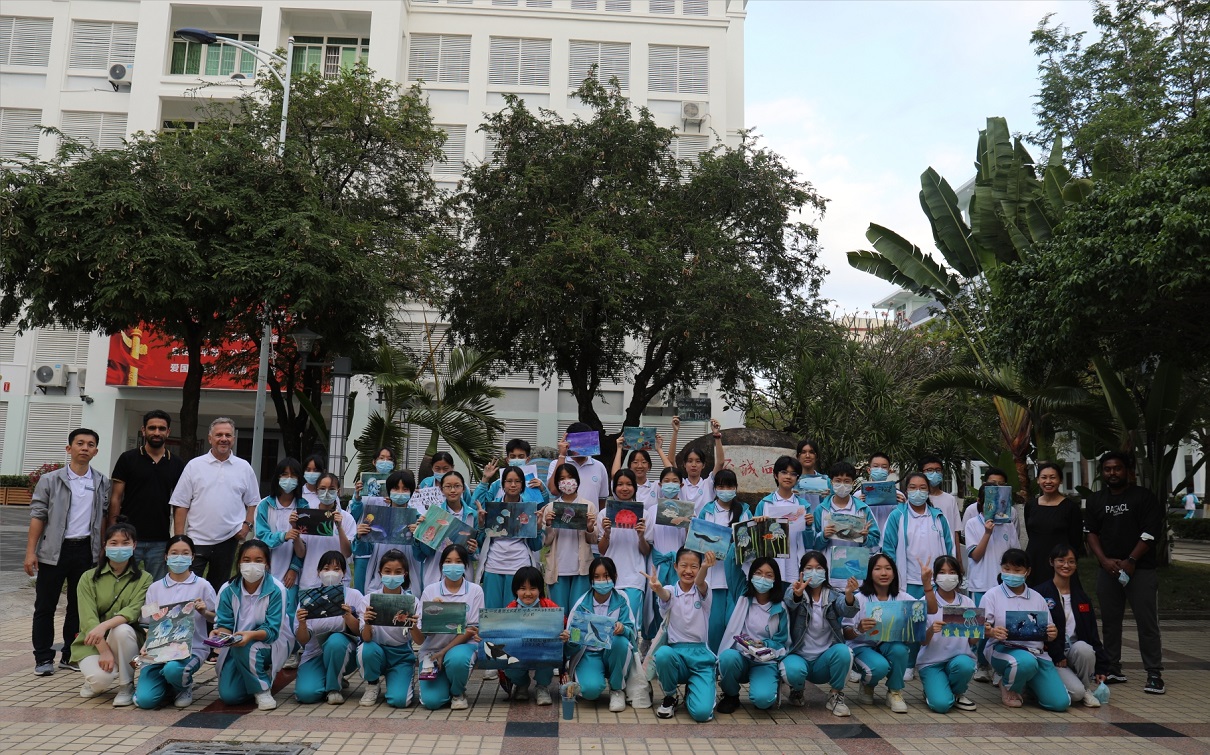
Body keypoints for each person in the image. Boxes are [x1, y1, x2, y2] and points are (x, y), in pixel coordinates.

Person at [26, 428, 111, 676]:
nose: (85, 448)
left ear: (96, 451)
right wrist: (31, 552)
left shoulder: (101, 482)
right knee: (45, 605)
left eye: (90, 444)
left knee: (79, 607)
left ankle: (70, 655)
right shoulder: (50, 480)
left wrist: (102, 549)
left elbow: (103, 517)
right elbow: (38, 515)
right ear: (69, 448)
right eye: (80, 443)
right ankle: (43, 658)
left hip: (85, 551)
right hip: (54, 551)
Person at [1084, 451, 1165, 694]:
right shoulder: (1096, 500)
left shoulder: (1143, 497)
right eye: (1107, 469)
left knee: (1147, 623)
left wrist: (1131, 560)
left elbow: (1150, 532)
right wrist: (1104, 561)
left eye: (1117, 468)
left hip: (1141, 570)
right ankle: (1112, 668)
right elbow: (1091, 533)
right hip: (1108, 570)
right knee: (1110, 622)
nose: (1112, 473)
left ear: (1127, 471)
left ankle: (1154, 673)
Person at [170, 417, 260, 594]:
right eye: (219, 435)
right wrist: (180, 539)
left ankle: (214, 614)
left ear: (233, 439)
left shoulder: (244, 467)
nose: (223, 439)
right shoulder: (194, 466)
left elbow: (253, 502)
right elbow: (181, 504)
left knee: (219, 590)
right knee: (188, 588)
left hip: (228, 539)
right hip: (196, 539)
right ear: (210, 438)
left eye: (228, 435)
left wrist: (247, 526)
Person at [134, 535, 218, 709]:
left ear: (192, 557)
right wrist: (147, 644)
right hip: (158, 652)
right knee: (144, 701)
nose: (179, 557)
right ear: (166, 556)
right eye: (174, 553)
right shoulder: (155, 588)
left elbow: (217, 618)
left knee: (173, 669)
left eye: (185, 553)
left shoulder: (202, 586)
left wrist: (204, 612)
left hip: (191, 650)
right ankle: (169, 685)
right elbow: (148, 622)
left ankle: (183, 686)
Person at [72, 522, 152, 706]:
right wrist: (104, 650)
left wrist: (105, 625)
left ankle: (126, 686)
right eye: (114, 543)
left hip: (129, 642)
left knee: (122, 630)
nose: (119, 547)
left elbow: (133, 611)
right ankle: (94, 680)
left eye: (125, 543)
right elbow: (88, 619)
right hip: (93, 642)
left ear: (134, 545)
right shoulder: (88, 578)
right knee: (101, 681)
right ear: (105, 545)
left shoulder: (145, 578)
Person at [981, 548, 1068, 711]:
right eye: (1007, 569)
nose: (1011, 574)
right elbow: (979, 628)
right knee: (1025, 662)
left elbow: (1048, 631)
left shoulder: (1037, 597)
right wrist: (991, 631)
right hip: (1003, 649)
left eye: (1017, 570)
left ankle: (1028, 684)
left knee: (1059, 703)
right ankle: (1008, 686)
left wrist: (1052, 634)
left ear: (1028, 571)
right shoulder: (991, 595)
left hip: (1037, 654)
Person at [211, 539, 293, 711]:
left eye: (258, 560)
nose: (252, 565)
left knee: (245, 647)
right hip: (237, 644)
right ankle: (257, 674)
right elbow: (225, 624)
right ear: (239, 563)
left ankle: (262, 690)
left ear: (267, 564)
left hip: (270, 642)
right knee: (230, 696)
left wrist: (250, 635)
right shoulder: (227, 589)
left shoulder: (277, 589)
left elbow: (272, 631)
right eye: (246, 560)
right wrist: (220, 635)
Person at [107, 409, 185, 581]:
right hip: (127, 537)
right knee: (123, 583)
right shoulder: (127, 459)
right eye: (152, 428)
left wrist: (178, 538)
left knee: (157, 587)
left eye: (161, 428)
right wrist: (113, 531)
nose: (156, 432)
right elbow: (116, 498)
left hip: (160, 539)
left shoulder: (177, 463)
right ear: (143, 430)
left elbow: (180, 503)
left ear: (168, 432)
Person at [781, 551, 858, 716]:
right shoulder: (794, 589)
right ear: (802, 572)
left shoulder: (833, 595)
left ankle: (835, 695)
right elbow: (789, 602)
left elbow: (847, 610)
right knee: (792, 670)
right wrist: (797, 595)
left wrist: (849, 594)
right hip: (798, 656)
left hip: (824, 660)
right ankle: (797, 689)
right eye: (809, 568)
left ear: (825, 571)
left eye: (819, 568)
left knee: (845, 652)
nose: (814, 572)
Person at [1036, 544, 1111, 708]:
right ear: (1051, 562)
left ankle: (1086, 688)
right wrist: (1057, 654)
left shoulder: (1082, 597)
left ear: (1076, 565)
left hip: (1073, 652)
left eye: (1071, 561)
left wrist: (1101, 667)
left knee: (1085, 648)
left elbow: (1092, 634)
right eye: (1061, 560)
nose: (1066, 565)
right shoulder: (1040, 594)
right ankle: (1044, 686)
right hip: (1051, 656)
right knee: (1076, 694)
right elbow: (1038, 632)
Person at [646, 548, 717, 722]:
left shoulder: (704, 590)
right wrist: (658, 588)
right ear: (676, 566)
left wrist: (705, 567)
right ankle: (670, 696)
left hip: (701, 658)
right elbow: (665, 595)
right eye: (684, 565)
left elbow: (700, 582)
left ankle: (694, 690)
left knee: (702, 714)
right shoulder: (670, 589)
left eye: (694, 566)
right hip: (676, 655)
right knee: (663, 654)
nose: (688, 571)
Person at [964, 476, 1021, 682]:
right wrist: (987, 533)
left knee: (1002, 625)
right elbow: (975, 555)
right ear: (980, 501)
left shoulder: (1008, 525)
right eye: (989, 499)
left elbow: (1015, 554)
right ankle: (981, 664)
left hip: (1005, 584)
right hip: (981, 583)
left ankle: (998, 666)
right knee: (982, 626)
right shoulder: (972, 523)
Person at [415, 544, 484, 710]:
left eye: (458, 561)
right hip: (432, 650)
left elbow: (471, 629)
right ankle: (446, 682)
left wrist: (444, 652)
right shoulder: (430, 591)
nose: (453, 565)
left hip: (462, 647)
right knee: (432, 702)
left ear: (466, 565)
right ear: (441, 565)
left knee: (457, 659)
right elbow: (420, 637)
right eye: (448, 561)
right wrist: (433, 614)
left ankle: (457, 692)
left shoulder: (475, 591)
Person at [716, 557, 789, 713]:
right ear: (751, 575)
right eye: (758, 573)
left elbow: (782, 642)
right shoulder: (742, 594)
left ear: (775, 579)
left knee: (763, 701)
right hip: (740, 657)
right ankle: (731, 695)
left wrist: (766, 644)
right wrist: (740, 543)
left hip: (765, 661)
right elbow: (731, 565)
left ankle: (766, 687)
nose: (762, 578)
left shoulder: (781, 608)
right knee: (727, 657)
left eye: (769, 575)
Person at [843, 553, 913, 713]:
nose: (883, 573)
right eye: (878, 569)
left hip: (887, 645)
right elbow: (846, 633)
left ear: (894, 573)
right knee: (879, 666)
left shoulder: (902, 597)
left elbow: (927, 611)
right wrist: (858, 629)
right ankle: (867, 685)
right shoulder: (859, 598)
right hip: (862, 646)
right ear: (869, 573)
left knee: (900, 650)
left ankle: (895, 692)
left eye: (888, 568)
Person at [474, 464, 548, 611]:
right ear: (502, 485)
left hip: (518, 566)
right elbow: (480, 542)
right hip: (493, 565)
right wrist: (481, 525)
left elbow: (535, 546)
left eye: (517, 481)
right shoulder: (493, 507)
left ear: (523, 485)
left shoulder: (529, 509)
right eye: (509, 481)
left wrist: (538, 528)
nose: (513, 485)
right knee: (491, 612)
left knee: (513, 614)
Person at [294, 551, 364, 704]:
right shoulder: (308, 598)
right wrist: (302, 623)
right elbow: (303, 640)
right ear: (318, 572)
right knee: (306, 695)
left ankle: (333, 688)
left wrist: (348, 617)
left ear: (343, 573)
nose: (331, 573)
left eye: (336, 569)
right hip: (315, 653)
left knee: (336, 641)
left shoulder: (354, 595)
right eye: (326, 569)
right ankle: (327, 677)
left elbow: (361, 632)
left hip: (345, 652)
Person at [567, 557, 636, 712]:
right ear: (591, 579)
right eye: (596, 577)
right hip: (589, 654)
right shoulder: (581, 605)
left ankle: (617, 689)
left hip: (613, 652)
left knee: (620, 642)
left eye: (606, 576)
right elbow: (572, 643)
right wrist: (570, 638)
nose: (602, 581)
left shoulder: (622, 600)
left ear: (614, 576)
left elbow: (632, 633)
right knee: (590, 692)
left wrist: (623, 629)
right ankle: (588, 677)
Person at [694, 468, 749, 651]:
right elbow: (698, 541)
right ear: (715, 488)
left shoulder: (744, 511)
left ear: (736, 488)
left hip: (735, 577)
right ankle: (712, 659)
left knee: (733, 623)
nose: (726, 490)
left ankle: (730, 660)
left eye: (730, 486)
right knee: (715, 624)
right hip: (713, 578)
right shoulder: (707, 511)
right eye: (721, 486)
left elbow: (748, 542)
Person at [357, 549, 419, 708]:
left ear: (405, 574)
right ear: (380, 573)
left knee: (400, 701)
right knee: (366, 648)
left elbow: (420, 640)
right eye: (387, 571)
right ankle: (372, 684)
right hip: (376, 650)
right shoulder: (369, 600)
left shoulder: (412, 601)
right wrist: (368, 622)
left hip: (401, 655)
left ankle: (401, 679)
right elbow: (366, 638)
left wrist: (413, 626)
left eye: (397, 572)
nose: (392, 576)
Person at [916, 555, 978, 713]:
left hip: (958, 660)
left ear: (959, 575)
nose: (947, 577)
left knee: (965, 665)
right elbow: (922, 641)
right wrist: (931, 630)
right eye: (942, 572)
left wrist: (983, 629)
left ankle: (957, 693)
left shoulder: (968, 602)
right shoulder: (925, 601)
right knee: (941, 705)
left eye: (952, 572)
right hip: (931, 662)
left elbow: (972, 641)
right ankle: (933, 690)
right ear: (935, 576)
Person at [808, 461, 880, 589]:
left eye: (847, 481)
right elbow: (812, 544)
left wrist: (865, 538)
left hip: (856, 574)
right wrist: (824, 536)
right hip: (828, 574)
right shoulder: (821, 510)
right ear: (831, 482)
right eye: (838, 480)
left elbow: (876, 541)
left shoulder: (863, 509)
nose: (842, 485)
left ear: (853, 483)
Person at [353, 470, 424, 595]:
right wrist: (360, 537)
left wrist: (418, 537)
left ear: (411, 492)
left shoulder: (418, 520)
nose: (400, 493)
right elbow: (363, 551)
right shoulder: (377, 517)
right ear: (389, 491)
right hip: (379, 579)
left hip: (410, 580)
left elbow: (422, 555)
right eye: (396, 488)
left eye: (405, 489)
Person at [252, 458, 305, 622]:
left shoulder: (304, 506)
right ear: (277, 477)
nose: (289, 479)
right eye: (284, 474)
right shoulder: (264, 505)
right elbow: (262, 536)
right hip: (266, 569)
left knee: (288, 615)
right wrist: (283, 536)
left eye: (293, 475)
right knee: (262, 613)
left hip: (290, 574)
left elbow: (305, 543)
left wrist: (294, 568)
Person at [501, 565, 563, 705]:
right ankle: (521, 684)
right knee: (507, 662)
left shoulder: (550, 607)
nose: (528, 593)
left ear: (540, 589)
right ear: (515, 590)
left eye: (533, 588)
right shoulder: (509, 610)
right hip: (518, 651)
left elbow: (563, 624)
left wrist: (564, 634)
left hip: (542, 651)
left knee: (550, 653)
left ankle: (542, 686)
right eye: (523, 588)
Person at [542, 463, 599, 613]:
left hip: (581, 569)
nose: (567, 482)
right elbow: (546, 542)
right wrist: (548, 525)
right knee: (558, 613)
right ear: (557, 483)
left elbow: (593, 540)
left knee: (578, 613)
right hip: (558, 569)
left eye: (570, 477)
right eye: (562, 479)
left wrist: (589, 527)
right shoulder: (551, 507)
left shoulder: (588, 506)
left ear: (577, 480)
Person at [599, 469, 652, 632]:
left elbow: (646, 551)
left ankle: (632, 649)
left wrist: (641, 536)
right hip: (609, 577)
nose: (624, 488)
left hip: (634, 578)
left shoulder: (644, 515)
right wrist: (606, 533)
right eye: (620, 484)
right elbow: (602, 550)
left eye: (629, 484)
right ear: (614, 487)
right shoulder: (604, 514)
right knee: (609, 624)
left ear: (635, 487)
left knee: (630, 625)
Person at [754, 456, 815, 587]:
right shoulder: (765, 504)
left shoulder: (803, 506)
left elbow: (809, 542)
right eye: (784, 472)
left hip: (794, 563)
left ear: (797, 478)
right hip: (769, 565)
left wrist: (809, 526)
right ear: (776, 475)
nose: (788, 477)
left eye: (793, 474)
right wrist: (757, 525)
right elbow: (755, 539)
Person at [416, 470, 481, 589]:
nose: (452, 490)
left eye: (457, 486)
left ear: (463, 489)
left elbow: (476, 551)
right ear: (441, 489)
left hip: (463, 573)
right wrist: (420, 532)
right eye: (448, 486)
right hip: (435, 572)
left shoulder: (473, 515)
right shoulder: (433, 514)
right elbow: (425, 552)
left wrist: (473, 550)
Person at [1024, 462, 1084, 586]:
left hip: (1060, 560)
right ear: (1038, 480)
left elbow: (1075, 540)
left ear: (1060, 480)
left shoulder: (1071, 507)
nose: (1048, 481)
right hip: (1034, 559)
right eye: (1044, 477)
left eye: (1052, 477)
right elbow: (1031, 533)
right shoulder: (1031, 505)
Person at [294, 473, 356, 591]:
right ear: (316, 491)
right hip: (311, 580)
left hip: (338, 580)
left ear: (338, 491)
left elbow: (347, 553)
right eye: (322, 488)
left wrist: (339, 527)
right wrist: (295, 531)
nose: (326, 492)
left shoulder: (347, 518)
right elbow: (300, 553)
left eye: (331, 489)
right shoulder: (307, 516)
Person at [548, 423, 611, 510]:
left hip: (591, 517)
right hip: (564, 516)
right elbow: (554, 490)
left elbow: (602, 499)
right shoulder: (556, 463)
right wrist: (562, 455)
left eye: (585, 442)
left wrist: (598, 517)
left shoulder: (599, 466)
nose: (581, 446)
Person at [673, 418, 726, 513]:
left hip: (705, 523)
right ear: (684, 464)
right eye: (690, 461)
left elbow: (720, 462)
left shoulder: (708, 484)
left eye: (698, 461)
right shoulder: (679, 484)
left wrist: (717, 435)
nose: (694, 465)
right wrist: (675, 432)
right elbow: (671, 460)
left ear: (703, 465)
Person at [920, 456, 962, 547]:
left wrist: (958, 555)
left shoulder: (950, 499)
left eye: (938, 470)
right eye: (929, 470)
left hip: (947, 550)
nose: (934, 473)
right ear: (921, 473)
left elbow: (956, 531)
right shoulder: (918, 499)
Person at [793, 439, 831, 506]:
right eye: (803, 452)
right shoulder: (791, 480)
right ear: (798, 456)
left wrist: (829, 498)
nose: (807, 456)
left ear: (816, 457)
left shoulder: (826, 481)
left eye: (811, 452)